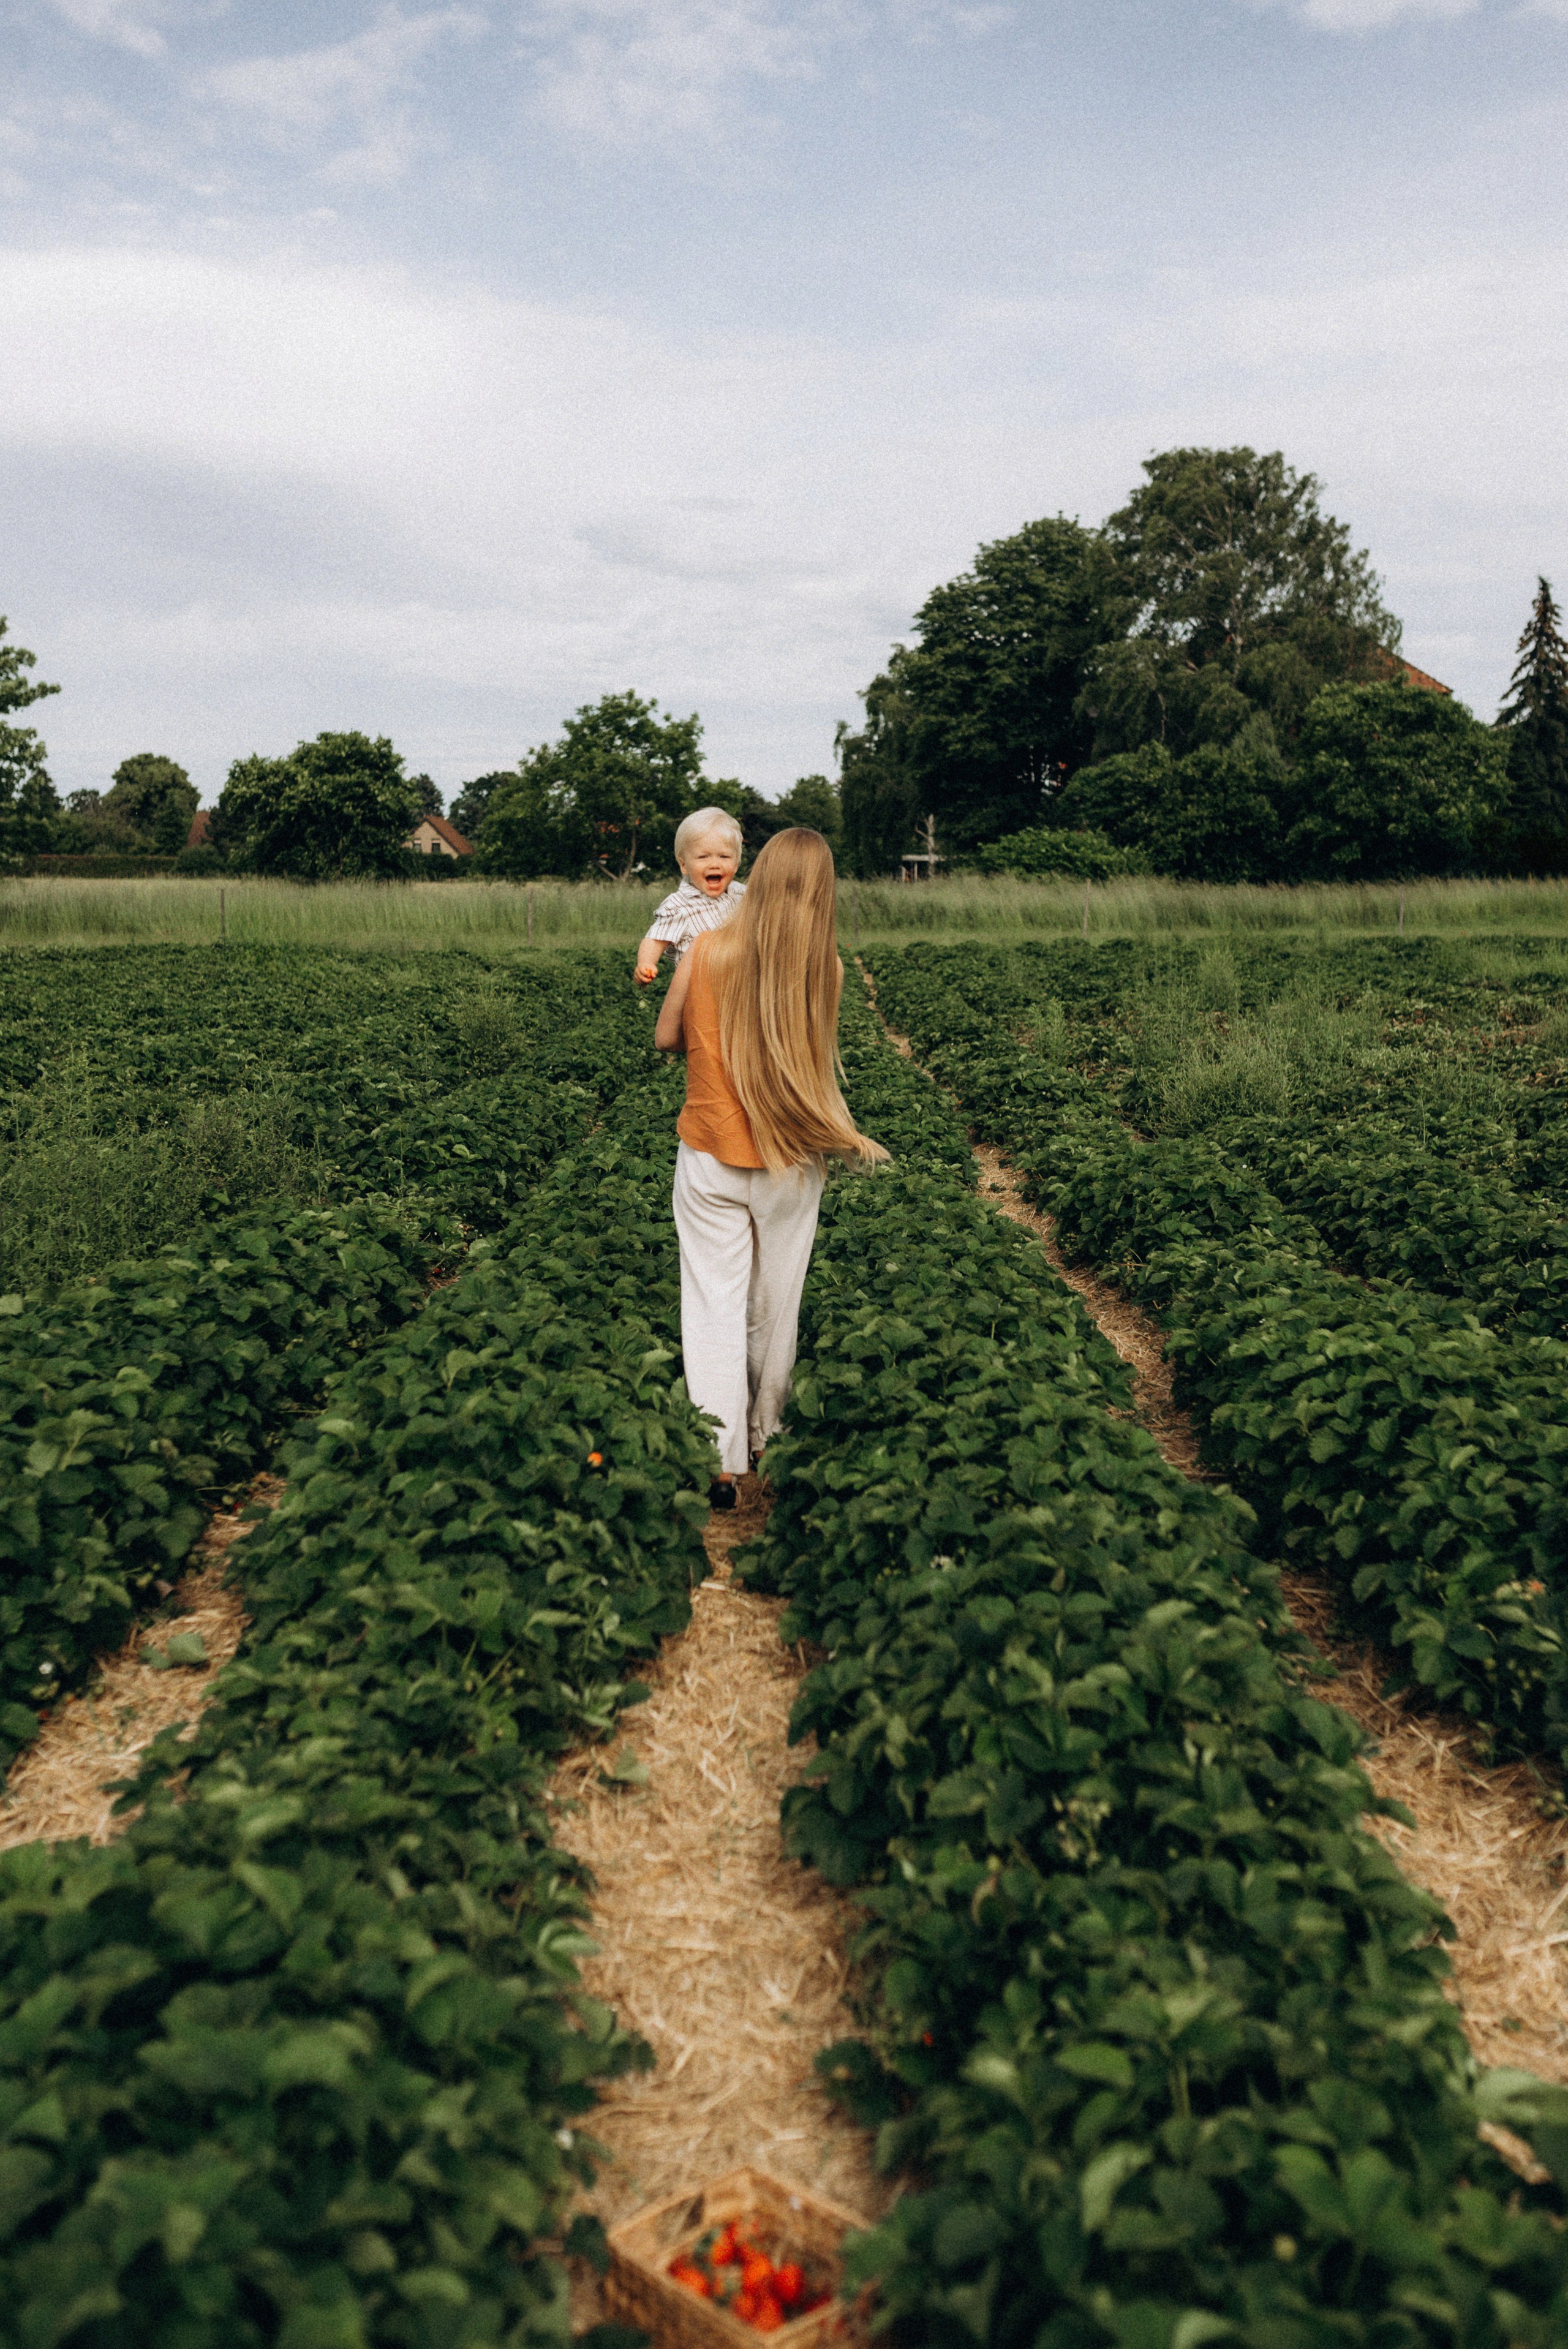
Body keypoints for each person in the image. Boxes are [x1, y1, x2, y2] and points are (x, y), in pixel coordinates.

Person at [654, 828, 888, 1509]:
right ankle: (768, 1438)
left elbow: (667, 1038)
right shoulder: (827, 967)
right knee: (773, 1307)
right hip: (790, 1159)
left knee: (712, 1305)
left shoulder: (705, 949)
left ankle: (717, 1462)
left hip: (709, 1152)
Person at [635, 808, 746, 984]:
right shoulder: (679, 907)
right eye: (703, 857)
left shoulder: (742, 894)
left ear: (737, 864)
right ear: (684, 865)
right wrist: (646, 964)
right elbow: (654, 941)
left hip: (740, 986)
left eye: (724, 856)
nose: (715, 864)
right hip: (700, 989)